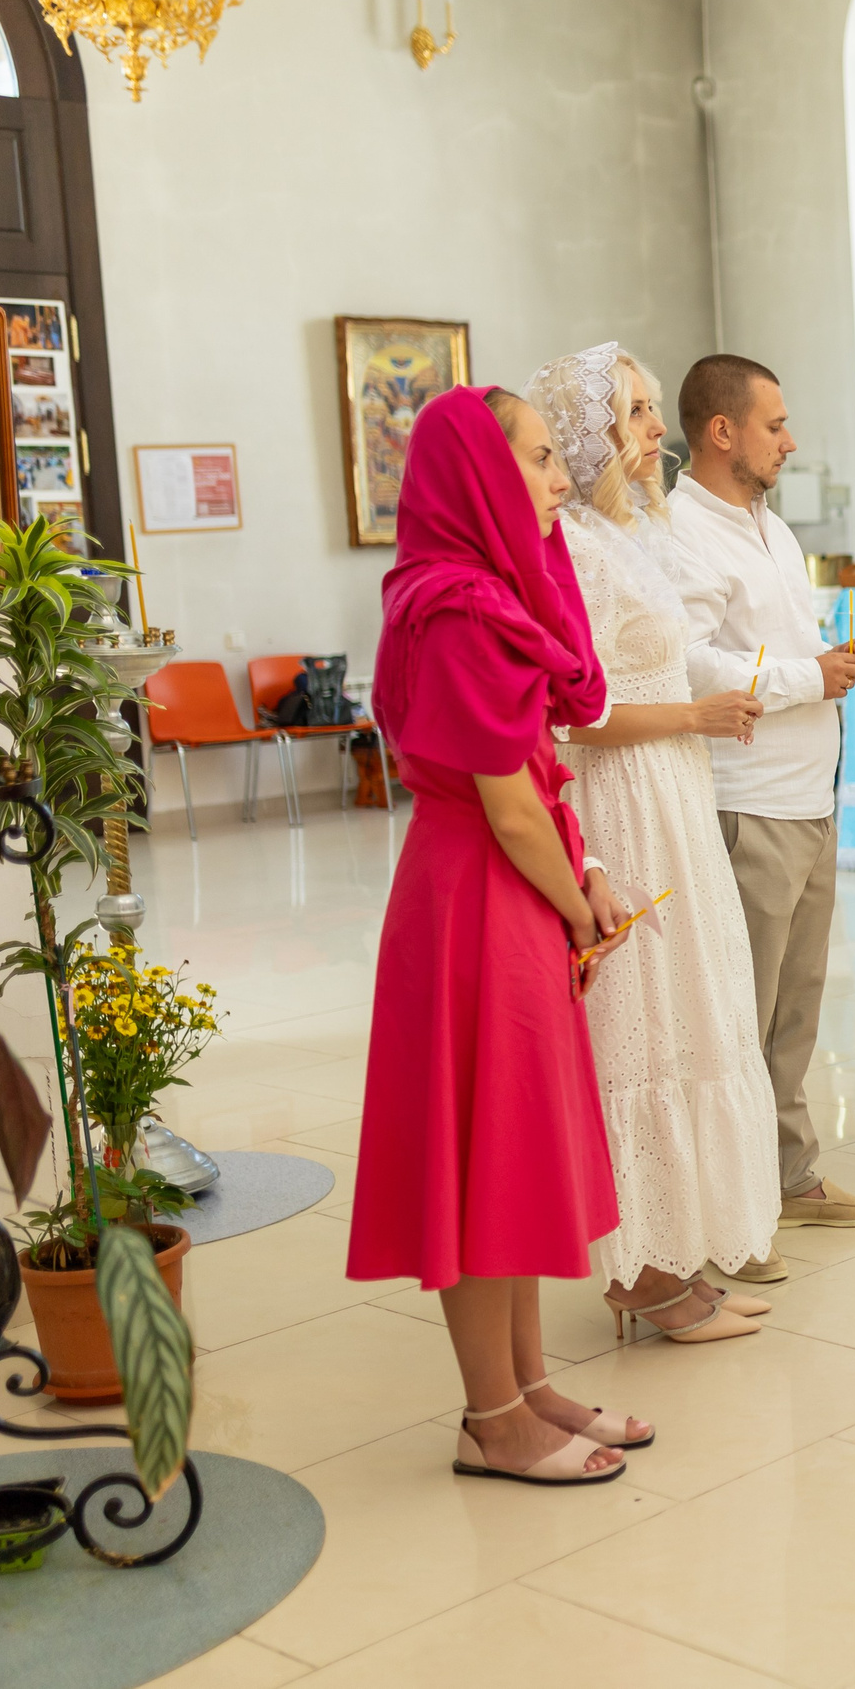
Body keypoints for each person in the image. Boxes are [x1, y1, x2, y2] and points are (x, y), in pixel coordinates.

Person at [347, 385, 642, 1485]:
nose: (561, 478)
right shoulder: (460, 607)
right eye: (536, 459)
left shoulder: (475, 593)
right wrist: (578, 903)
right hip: (479, 894)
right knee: (480, 1157)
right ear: (477, 476)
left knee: (510, 1147)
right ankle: (490, 1417)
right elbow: (507, 803)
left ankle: (525, 1383)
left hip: (502, 886)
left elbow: (535, 775)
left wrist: (585, 876)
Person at [526, 343, 777, 1343]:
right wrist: (692, 717)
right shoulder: (572, 550)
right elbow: (572, 714)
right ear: (589, 435)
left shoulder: (638, 534)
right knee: (646, 1023)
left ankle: (680, 1254)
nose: (651, 430)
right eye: (631, 413)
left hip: (674, 788)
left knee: (698, 1011)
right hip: (625, 794)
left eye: (645, 410)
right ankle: (643, 1277)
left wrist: (711, 710)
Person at [668, 355, 855, 1276]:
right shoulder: (684, 530)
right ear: (723, 431)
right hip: (748, 799)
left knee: (795, 1011)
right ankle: (732, 1210)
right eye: (775, 424)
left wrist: (828, 659)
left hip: (807, 792)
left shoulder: (766, 521)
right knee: (739, 1017)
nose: (790, 441)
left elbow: (767, 643)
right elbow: (685, 661)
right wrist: (810, 676)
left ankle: (789, 1177)